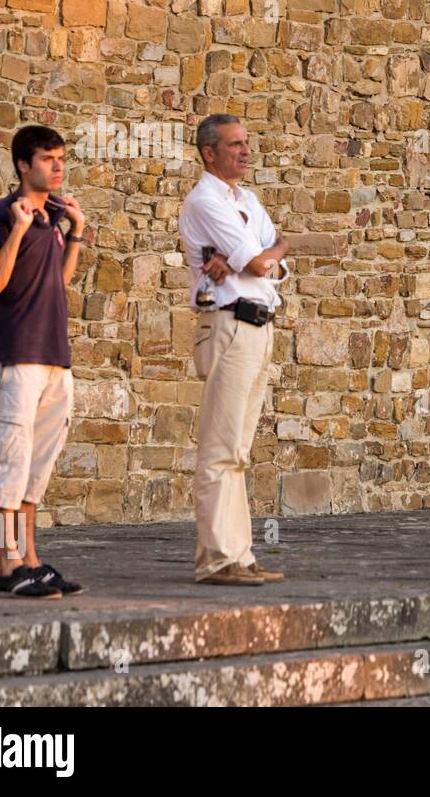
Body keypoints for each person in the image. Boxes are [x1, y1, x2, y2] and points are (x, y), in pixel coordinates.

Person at [178, 114, 289, 585]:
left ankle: (239, 554)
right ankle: (218, 558)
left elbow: (275, 264)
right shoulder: (205, 200)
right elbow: (261, 259)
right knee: (221, 446)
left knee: (239, 449)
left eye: (247, 142)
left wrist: (273, 255)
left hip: (258, 325)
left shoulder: (247, 199)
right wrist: (271, 255)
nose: (245, 151)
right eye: (234, 144)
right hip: (230, 323)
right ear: (209, 152)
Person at [0, 125, 87, 598]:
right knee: (11, 462)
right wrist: (19, 231)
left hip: (54, 358)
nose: (57, 166)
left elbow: (58, 283)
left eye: (61, 158)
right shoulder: (4, 215)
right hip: (17, 355)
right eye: (47, 159)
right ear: (24, 164)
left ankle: (32, 560)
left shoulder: (57, 215)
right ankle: (7, 568)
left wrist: (76, 234)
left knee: (35, 469)